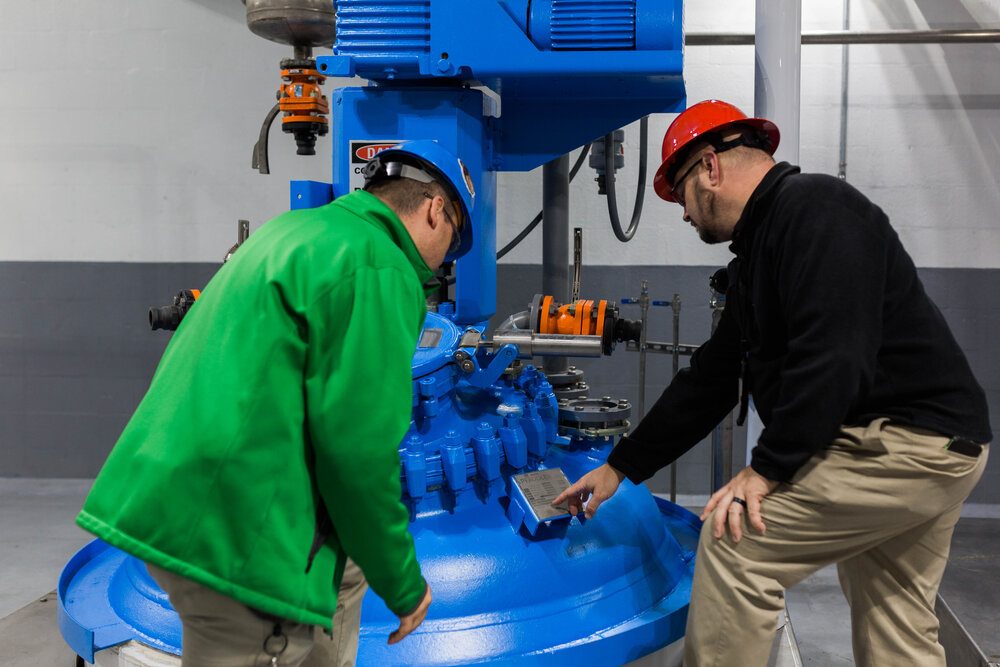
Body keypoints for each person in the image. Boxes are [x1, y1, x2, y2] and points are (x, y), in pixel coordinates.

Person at [554, 100, 991, 666]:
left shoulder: (817, 210)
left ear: (710, 167)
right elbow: (713, 377)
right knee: (895, 620)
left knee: (736, 544)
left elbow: (834, 357)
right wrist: (623, 466)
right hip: (935, 444)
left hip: (906, 444)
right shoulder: (764, 246)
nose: (683, 214)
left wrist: (767, 469)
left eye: (680, 193)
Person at [77, 139, 476, 666]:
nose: (441, 265)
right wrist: (404, 584)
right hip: (242, 528)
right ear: (434, 209)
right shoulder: (381, 268)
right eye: (451, 243)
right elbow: (357, 452)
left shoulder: (292, 230)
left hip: (172, 493)